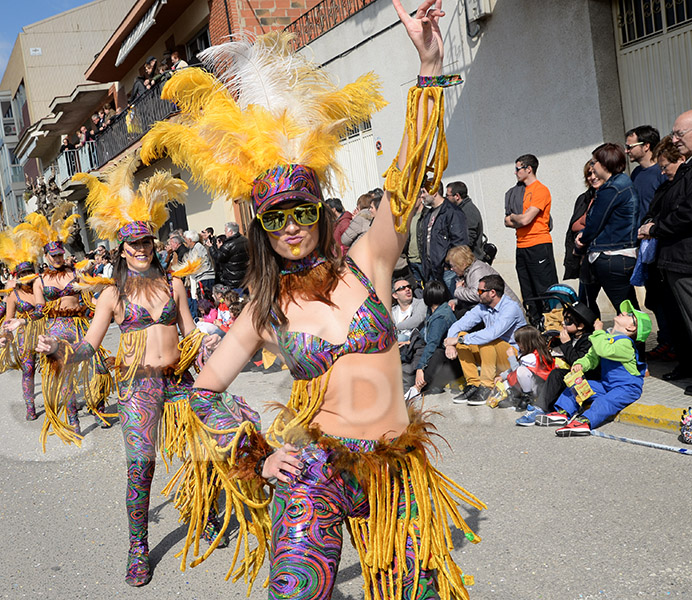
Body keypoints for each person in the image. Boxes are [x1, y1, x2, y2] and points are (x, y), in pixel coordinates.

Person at [141, 12, 483, 599]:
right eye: (276, 217)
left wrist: (428, 66)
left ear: (320, 210)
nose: (292, 226)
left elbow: (407, 175)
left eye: (302, 210)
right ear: (262, 227)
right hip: (315, 471)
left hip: (393, 470)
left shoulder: (370, 260)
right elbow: (201, 390)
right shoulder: (264, 307)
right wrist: (257, 453)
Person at [41, 159, 217, 587]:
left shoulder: (174, 285)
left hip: (179, 381)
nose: (142, 249)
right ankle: (138, 546)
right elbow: (89, 346)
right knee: (141, 466)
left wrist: (207, 352)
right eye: (134, 244)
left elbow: (190, 334)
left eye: (148, 242)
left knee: (206, 450)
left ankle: (208, 511)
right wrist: (58, 350)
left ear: (155, 244)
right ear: (122, 248)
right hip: (138, 389)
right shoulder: (112, 295)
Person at [17, 209, 113, 445]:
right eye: (54, 256)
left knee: (98, 365)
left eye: (60, 254)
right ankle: (73, 420)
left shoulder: (74, 273)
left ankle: (98, 407)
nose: (58, 258)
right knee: (65, 374)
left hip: (79, 323)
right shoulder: (39, 281)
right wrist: (24, 320)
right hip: (56, 327)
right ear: (46, 257)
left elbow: (89, 295)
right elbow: (40, 308)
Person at [539, 300, 650, 436]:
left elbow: (604, 350)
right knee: (577, 387)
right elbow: (592, 356)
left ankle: (585, 421)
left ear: (632, 328)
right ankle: (563, 412)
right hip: (606, 384)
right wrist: (581, 364)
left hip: (626, 388)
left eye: (629, 315)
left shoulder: (626, 344)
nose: (624, 312)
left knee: (604, 402)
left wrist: (598, 332)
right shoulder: (606, 338)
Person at [638, 121, 692, 391]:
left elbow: (685, 214)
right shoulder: (669, 183)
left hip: (682, 257)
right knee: (678, 318)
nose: (663, 172)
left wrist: (656, 228)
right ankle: (685, 364)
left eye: (665, 166)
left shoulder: (685, 177)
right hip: (669, 259)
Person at [0, 232, 45, 420]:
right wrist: (4, 336)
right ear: (18, 275)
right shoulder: (14, 295)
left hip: (45, 333)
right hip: (26, 336)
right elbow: (8, 321)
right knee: (28, 369)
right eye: (22, 273)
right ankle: (30, 405)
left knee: (51, 367)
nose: (26, 276)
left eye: (28, 272)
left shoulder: (41, 288)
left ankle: (55, 401)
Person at [575, 143, 640, 314]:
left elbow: (594, 223)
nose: (592, 165)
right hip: (618, 254)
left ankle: (635, 340)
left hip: (612, 256)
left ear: (604, 164)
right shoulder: (622, 182)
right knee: (627, 307)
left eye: (594, 162)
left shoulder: (612, 188)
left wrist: (582, 239)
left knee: (626, 311)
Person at [444, 273, 527, 405]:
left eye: (480, 291)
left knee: (483, 340)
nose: (477, 293)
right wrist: (450, 342)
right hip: (489, 355)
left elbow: (492, 334)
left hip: (511, 357)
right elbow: (460, 324)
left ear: (492, 293)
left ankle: (486, 387)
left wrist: (460, 340)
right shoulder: (483, 306)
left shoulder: (511, 308)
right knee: (462, 337)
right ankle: (474, 385)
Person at [517, 301, 598, 426]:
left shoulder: (588, 340)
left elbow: (578, 363)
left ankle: (539, 409)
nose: (563, 323)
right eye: (563, 319)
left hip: (586, 378)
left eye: (568, 321)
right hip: (570, 376)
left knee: (557, 374)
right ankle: (542, 405)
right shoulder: (570, 336)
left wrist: (566, 344)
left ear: (581, 326)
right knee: (550, 371)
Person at [505, 153, 558, 324]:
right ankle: (535, 325)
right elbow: (507, 221)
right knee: (527, 290)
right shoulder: (517, 193)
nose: (515, 172)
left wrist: (516, 217)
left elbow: (526, 219)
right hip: (521, 246)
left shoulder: (540, 190)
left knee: (544, 289)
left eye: (518, 168)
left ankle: (552, 326)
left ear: (529, 169)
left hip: (538, 244)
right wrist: (517, 218)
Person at [415, 180, 467, 292]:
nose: (422, 196)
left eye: (424, 192)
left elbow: (459, 242)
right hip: (431, 271)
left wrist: (449, 265)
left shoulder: (452, 212)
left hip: (447, 272)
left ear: (434, 192)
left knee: (453, 303)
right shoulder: (428, 214)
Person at [413, 280, 460, 395]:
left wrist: (420, 369)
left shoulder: (440, 317)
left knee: (436, 353)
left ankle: (422, 385)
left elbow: (432, 344)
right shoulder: (435, 310)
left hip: (449, 358)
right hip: (444, 356)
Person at [492, 324, 555, 411]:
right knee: (506, 382)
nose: (518, 345)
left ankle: (527, 398)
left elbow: (516, 371)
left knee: (521, 371)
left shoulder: (533, 357)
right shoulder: (529, 352)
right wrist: (501, 376)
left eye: (519, 342)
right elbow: (516, 368)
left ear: (528, 342)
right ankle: (515, 398)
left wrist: (511, 357)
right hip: (531, 384)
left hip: (537, 387)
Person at [447, 245, 520, 311]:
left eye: (453, 266)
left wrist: (459, 290)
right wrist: (456, 302)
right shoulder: (469, 271)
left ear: (463, 264)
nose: (451, 269)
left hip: (506, 310)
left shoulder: (477, 270)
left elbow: (478, 295)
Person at [564, 160, 602, 281]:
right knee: (585, 297)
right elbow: (573, 226)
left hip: (603, 256)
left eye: (595, 173)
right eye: (589, 174)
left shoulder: (608, 198)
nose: (593, 177)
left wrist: (583, 230)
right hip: (584, 257)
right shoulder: (583, 198)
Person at [391, 277, 426, 388]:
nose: (407, 289)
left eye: (408, 287)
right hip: (397, 347)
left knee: (400, 337)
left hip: (414, 344)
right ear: (395, 295)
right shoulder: (392, 311)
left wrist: (396, 328)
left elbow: (417, 320)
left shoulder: (420, 303)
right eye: (402, 288)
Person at [625, 124, 667, 218]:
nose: (626, 151)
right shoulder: (636, 173)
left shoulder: (663, 172)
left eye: (630, 147)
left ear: (646, 146)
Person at [445, 181, 485, 260]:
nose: (446, 198)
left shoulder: (468, 211)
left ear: (457, 196)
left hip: (469, 260)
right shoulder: (459, 210)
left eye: (447, 196)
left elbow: (468, 240)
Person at [183, 230, 215, 317]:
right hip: (201, 277)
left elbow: (197, 264)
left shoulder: (198, 247)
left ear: (190, 240)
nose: (185, 242)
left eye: (186, 240)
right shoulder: (194, 249)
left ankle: (210, 318)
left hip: (205, 277)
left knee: (206, 302)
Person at [213, 221, 249, 291]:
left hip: (233, 279)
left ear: (231, 232)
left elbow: (219, 258)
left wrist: (212, 248)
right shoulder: (245, 240)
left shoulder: (228, 245)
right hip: (245, 277)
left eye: (226, 231)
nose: (225, 233)